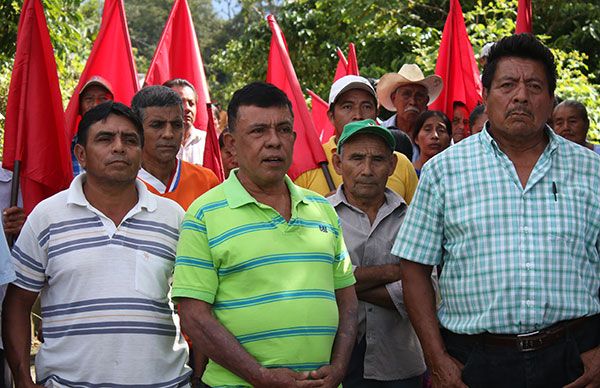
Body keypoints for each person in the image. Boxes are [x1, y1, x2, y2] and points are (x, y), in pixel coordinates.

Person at [393, 33, 600, 388]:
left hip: (576, 356)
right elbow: (413, 267)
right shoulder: (444, 170)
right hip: (475, 362)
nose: (521, 95)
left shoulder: (591, 169)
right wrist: (437, 359)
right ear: (486, 96)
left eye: (534, 86)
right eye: (507, 85)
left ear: (551, 99)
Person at [171, 82, 358, 388]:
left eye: (284, 129)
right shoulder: (203, 214)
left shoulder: (321, 209)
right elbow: (194, 317)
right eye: (258, 131)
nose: (274, 142)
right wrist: (262, 378)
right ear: (231, 144)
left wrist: (338, 368)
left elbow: (348, 301)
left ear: (294, 138)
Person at [2, 101, 191, 387]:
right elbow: (17, 302)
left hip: (165, 382)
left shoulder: (174, 217)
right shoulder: (46, 216)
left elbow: (196, 303)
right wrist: (21, 378)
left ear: (141, 152)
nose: (119, 147)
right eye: (105, 139)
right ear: (81, 153)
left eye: (130, 140)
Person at [328, 119, 426, 388]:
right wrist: (395, 271)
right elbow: (316, 283)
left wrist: (342, 283)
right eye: (357, 158)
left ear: (392, 165)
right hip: (334, 360)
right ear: (338, 163)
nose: (367, 170)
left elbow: (425, 292)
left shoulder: (413, 219)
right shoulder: (320, 216)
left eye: (378, 159)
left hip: (399, 363)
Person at [294, 75, 418, 203]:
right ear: (331, 116)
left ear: (376, 113)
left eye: (366, 107)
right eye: (347, 107)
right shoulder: (309, 165)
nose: (358, 115)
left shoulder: (402, 165)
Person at [132, 86, 219, 210]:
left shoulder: (206, 181)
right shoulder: (121, 183)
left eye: (177, 125)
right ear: (137, 130)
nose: (168, 134)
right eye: (157, 125)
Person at [377, 64, 443, 162]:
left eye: (419, 96)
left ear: (426, 102)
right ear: (394, 99)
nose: (412, 101)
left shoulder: (438, 136)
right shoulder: (380, 134)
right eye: (406, 94)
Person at [72, 76, 115, 176]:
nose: (96, 105)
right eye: (89, 99)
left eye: (103, 99)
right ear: (79, 107)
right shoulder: (68, 145)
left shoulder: (121, 145)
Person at [163, 78, 207, 165]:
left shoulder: (207, 142)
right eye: (180, 102)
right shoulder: (155, 142)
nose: (187, 108)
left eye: (191, 103)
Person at [412, 111, 452, 177]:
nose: (435, 136)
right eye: (428, 129)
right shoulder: (407, 172)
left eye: (441, 130)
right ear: (416, 138)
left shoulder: (455, 173)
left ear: (450, 139)